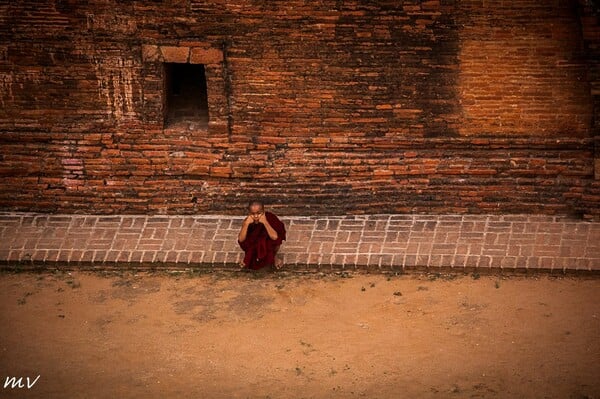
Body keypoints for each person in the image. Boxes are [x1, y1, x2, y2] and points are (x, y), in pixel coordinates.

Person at [238, 200, 286, 270]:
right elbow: (241, 240)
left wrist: (265, 222)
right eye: (253, 214)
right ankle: (248, 257)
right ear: (249, 213)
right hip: (254, 248)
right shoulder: (248, 221)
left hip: (268, 246)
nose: (256, 216)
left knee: (273, 242)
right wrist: (246, 224)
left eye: (259, 213)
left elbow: (275, 237)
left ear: (263, 211)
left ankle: (274, 257)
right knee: (249, 243)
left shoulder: (270, 218)